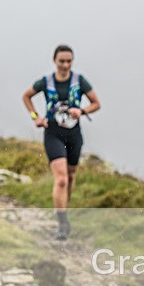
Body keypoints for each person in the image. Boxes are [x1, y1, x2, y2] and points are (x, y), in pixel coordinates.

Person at [22, 44, 100, 240]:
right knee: (62, 178)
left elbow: (96, 103)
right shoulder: (46, 82)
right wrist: (35, 117)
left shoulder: (79, 81)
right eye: (61, 61)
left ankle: (63, 206)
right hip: (53, 132)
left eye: (69, 61)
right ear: (54, 61)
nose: (65, 65)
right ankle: (62, 223)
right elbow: (26, 96)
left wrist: (81, 111)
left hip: (74, 133)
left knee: (71, 176)